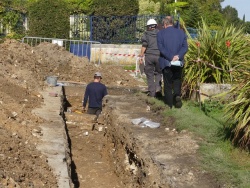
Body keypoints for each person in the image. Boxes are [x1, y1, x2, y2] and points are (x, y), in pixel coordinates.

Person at [157, 16, 188, 108]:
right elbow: (185, 47)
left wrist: (171, 57)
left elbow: (161, 48)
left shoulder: (160, 33)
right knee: (177, 79)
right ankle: (177, 95)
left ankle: (169, 104)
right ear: (172, 23)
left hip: (166, 62)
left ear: (165, 24)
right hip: (178, 62)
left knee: (167, 83)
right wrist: (178, 56)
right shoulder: (181, 33)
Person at [139, 18, 162, 98]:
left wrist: (141, 55)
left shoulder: (146, 34)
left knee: (149, 74)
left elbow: (144, 45)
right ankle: (158, 88)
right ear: (155, 26)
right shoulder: (160, 33)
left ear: (148, 27)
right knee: (159, 73)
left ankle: (152, 93)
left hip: (149, 56)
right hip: (159, 56)